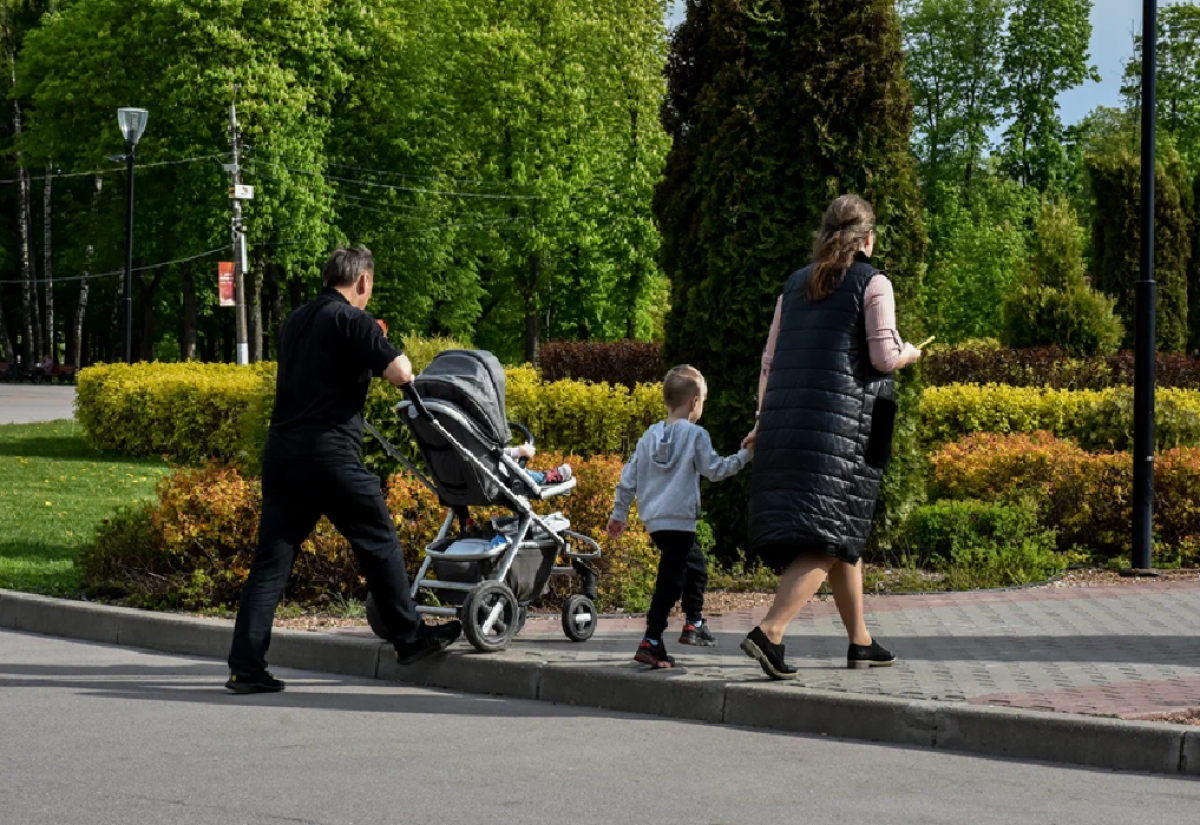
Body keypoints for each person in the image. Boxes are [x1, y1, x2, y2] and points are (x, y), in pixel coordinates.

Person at [225, 246, 461, 694]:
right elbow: (400, 372)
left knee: (270, 566)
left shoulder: (295, 320)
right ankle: (409, 636)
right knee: (378, 538)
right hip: (329, 456)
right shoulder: (353, 320)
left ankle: (245, 667)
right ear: (363, 282)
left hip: (282, 456)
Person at [740, 195, 922, 680]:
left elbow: (769, 361)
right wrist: (910, 353)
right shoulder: (874, 281)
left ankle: (860, 640)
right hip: (845, 435)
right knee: (827, 537)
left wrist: (762, 422)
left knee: (845, 536)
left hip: (788, 423)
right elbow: (882, 357)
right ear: (867, 238)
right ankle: (770, 632)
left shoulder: (794, 284)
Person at [607, 365, 754, 668]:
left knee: (695, 565)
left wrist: (619, 513)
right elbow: (715, 470)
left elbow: (629, 476)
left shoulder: (649, 436)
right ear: (693, 402)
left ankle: (694, 623)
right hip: (681, 520)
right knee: (671, 582)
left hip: (657, 522)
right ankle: (652, 639)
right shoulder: (696, 435)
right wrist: (746, 456)